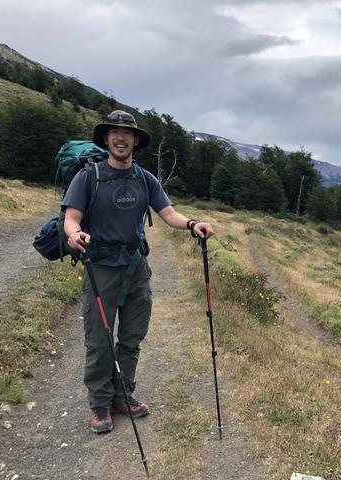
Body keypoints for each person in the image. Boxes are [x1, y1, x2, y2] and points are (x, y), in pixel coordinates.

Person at [62, 110, 214, 433]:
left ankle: (122, 394)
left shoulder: (145, 179)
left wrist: (192, 224)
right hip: (100, 267)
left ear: (135, 141)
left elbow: (168, 213)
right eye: (115, 133)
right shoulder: (89, 177)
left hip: (136, 267)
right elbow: (71, 217)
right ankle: (100, 404)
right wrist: (74, 234)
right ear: (106, 139)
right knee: (100, 339)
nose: (121, 138)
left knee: (132, 335)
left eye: (127, 134)